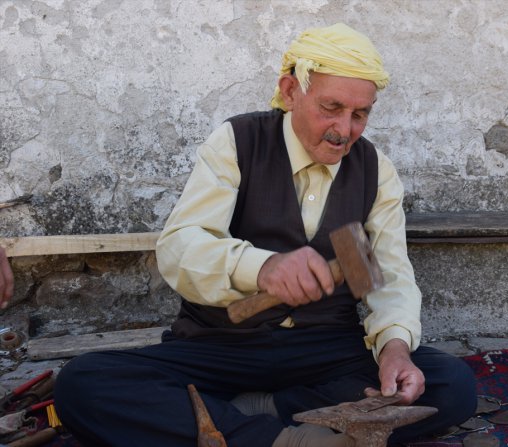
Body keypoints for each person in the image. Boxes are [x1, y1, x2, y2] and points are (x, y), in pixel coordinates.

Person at [54, 23, 476, 447]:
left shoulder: (374, 170)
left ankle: (248, 414)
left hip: (324, 352)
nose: (344, 130)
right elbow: (181, 247)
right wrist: (261, 267)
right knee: (83, 384)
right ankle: (296, 439)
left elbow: (389, 277)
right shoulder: (237, 142)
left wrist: (395, 351)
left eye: (360, 114)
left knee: (451, 385)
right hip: (220, 346)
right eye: (331, 107)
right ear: (291, 91)